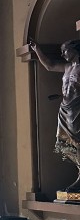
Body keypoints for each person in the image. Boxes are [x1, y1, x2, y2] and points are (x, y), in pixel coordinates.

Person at [29, 38, 80, 192]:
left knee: (78, 141)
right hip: (65, 109)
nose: (63, 54)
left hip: (78, 109)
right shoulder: (67, 67)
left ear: (75, 49)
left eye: (65, 50)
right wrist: (37, 49)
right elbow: (50, 66)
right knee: (65, 143)